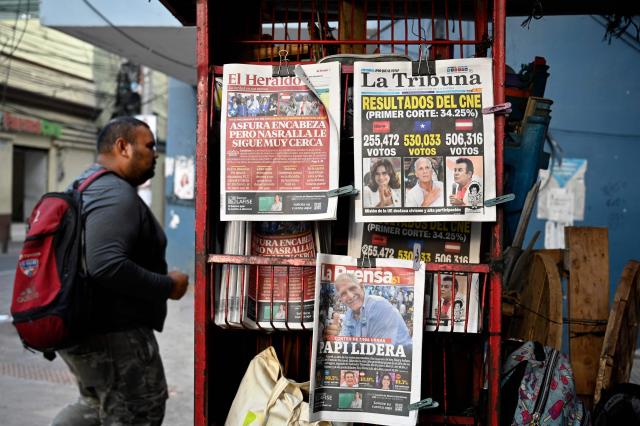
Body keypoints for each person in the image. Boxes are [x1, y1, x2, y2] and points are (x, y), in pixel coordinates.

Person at [52, 117, 189, 426]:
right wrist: (168, 286)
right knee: (139, 412)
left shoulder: (83, 185)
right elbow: (106, 264)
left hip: (85, 331)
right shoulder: (116, 194)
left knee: (93, 407)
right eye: (149, 145)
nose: (155, 154)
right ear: (123, 147)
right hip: (117, 338)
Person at [325, 273, 412, 347]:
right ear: (340, 299)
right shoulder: (349, 314)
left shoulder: (379, 306)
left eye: (352, 288)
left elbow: (380, 355)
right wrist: (334, 342)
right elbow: (345, 346)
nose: (350, 296)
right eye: (343, 293)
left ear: (361, 286)